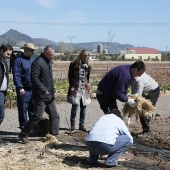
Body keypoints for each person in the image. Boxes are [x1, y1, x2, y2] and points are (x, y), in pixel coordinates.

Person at [18, 45, 60, 144]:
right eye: (51, 54)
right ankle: (23, 134)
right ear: (45, 53)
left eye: (53, 54)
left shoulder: (48, 61)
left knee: (55, 115)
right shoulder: (38, 62)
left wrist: (52, 90)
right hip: (41, 96)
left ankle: (53, 136)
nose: (52, 56)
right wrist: (43, 89)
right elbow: (34, 78)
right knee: (37, 116)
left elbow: (49, 79)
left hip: (49, 96)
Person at [13, 43, 38, 130]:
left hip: (33, 89)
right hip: (24, 89)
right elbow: (16, 75)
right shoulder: (18, 61)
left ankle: (32, 127)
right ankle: (24, 127)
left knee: (33, 108)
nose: (33, 52)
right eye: (31, 50)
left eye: (33, 51)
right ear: (26, 50)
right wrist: (20, 87)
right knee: (23, 109)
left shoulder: (33, 60)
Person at [67, 50, 91, 131]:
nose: (86, 57)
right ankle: (72, 125)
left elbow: (88, 77)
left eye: (87, 56)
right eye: (84, 56)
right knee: (75, 106)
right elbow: (70, 77)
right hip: (76, 87)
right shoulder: (74, 64)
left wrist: (87, 87)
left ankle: (82, 125)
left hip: (85, 88)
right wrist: (72, 86)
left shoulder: (89, 65)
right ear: (80, 56)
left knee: (84, 107)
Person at [0, 44, 13, 145]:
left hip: (2, 92)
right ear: (1, 51)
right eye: (7, 54)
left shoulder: (4, 61)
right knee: (1, 114)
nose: (9, 56)